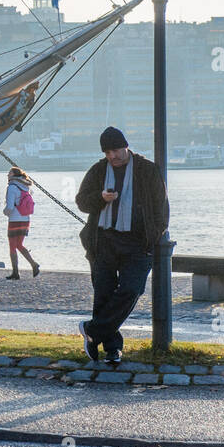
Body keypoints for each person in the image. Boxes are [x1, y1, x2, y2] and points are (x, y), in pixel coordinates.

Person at [75, 126, 169, 365]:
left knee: (131, 290)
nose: (112, 156)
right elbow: (82, 203)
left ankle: (92, 331)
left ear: (125, 146)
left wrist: (153, 237)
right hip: (103, 241)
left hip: (138, 243)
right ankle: (111, 349)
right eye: (107, 152)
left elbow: (161, 208)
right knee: (104, 295)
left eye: (116, 150)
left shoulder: (147, 170)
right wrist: (100, 199)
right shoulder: (98, 171)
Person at [3, 165, 41, 279]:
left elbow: (9, 207)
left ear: (14, 175)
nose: (7, 175)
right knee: (19, 245)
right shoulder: (25, 187)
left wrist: (5, 212)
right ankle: (33, 264)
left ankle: (15, 272)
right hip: (25, 219)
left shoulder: (11, 187)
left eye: (9, 173)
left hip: (15, 219)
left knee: (12, 247)